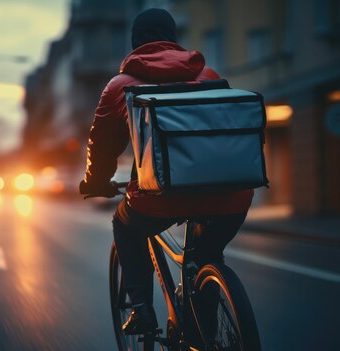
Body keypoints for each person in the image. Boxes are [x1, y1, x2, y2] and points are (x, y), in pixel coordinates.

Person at [79, 8, 254, 335]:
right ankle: (204, 331)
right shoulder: (209, 74)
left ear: (135, 43)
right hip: (232, 195)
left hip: (158, 199)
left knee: (124, 224)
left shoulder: (120, 85)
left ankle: (142, 309)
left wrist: (96, 180)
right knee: (208, 254)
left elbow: (101, 145)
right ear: (173, 39)